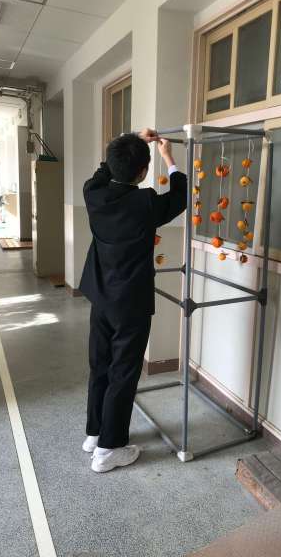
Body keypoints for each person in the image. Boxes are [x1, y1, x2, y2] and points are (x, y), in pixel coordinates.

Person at [79, 128, 187, 473]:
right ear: (143, 172)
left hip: (101, 296)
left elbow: (104, 171)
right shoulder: (146, 203)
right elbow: (180, 196)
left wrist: (130, 140)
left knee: (101, 365)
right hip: (131, 302)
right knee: (123, 372)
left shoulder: (93, 194)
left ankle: (95, 433)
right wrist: (169, 158)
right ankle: (109, 449)